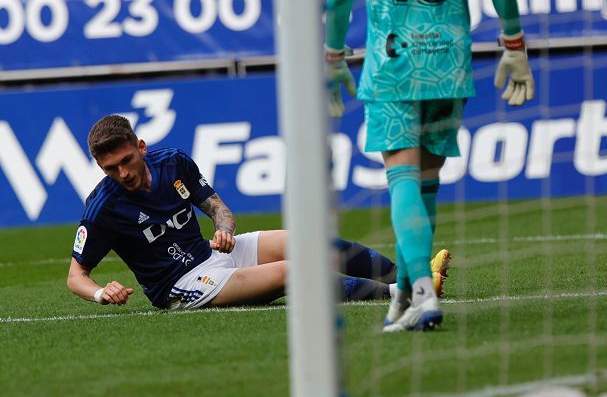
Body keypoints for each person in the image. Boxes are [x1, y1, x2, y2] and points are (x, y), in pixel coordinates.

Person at [324, 0, 534, 332]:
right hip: (449, 58)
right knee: (426, 182)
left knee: (401, 180)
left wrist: (332, 55)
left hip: (393, 59)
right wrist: (514, 46)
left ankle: (422, 292)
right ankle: (404, 293)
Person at [66, 115, 451, 309]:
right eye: (110, 168)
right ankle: (404, 294)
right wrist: (101, 292)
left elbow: (217, 208)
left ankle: (412, 275)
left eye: (126, 161)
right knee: (292, 272)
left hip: (212, 253)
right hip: (181, 286)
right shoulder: (103, 207)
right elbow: (75, 275)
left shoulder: (173, 163)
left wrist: (224, 230)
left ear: (142, 147)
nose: (122, 173)